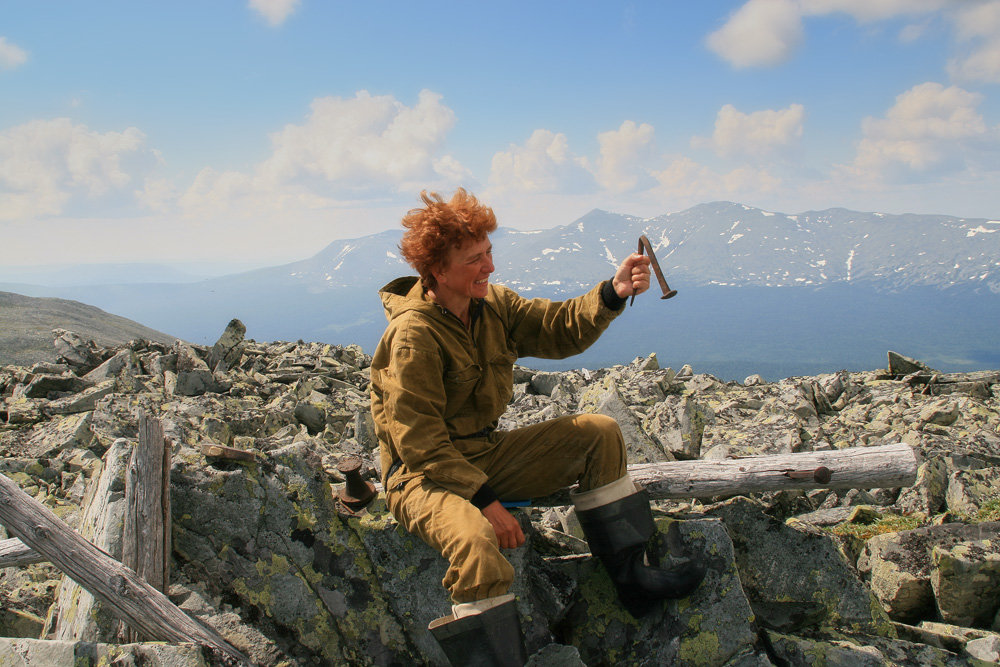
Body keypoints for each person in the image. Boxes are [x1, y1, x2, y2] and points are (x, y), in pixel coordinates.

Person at [369, 189, 705, 666]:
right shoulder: (413, 337)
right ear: (438, 271)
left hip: (482, 454)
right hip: (421, 477)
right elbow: (419, 443)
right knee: (475, 540)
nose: (489, 267)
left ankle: (634, 579)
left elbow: (559, 328)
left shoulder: (492, 305)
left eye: (488, 253)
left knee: (600, 432)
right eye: (474, 260)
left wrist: (613, 292)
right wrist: (485, 502)